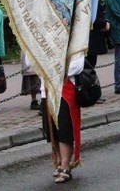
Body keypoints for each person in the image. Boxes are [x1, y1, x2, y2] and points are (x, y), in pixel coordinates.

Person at [41, 54, 84, 184]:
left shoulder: (73, 38)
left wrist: (54, 69)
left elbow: (77, 65)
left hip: (65, 87)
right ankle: (58, 162)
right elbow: (31, 60)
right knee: (51, 129)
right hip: (47, 88)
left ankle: (65, 166)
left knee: (65, 127)